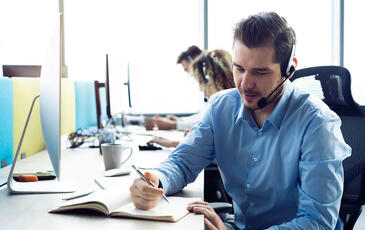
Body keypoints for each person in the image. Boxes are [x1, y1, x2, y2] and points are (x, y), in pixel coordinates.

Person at [130, 11, 351, 230]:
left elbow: (317, 221)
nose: (245, 84)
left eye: (260, 72)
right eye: (239, 68)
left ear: (289, 69)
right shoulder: (220, 108)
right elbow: (182, 162)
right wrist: (155, 180)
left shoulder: (318, 125)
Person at [149, 49, 235, 148]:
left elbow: (218, 150)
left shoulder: (228, 105)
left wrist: (173, 143)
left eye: (200, 82)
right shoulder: (225, 102)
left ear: (209, 79)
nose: (201, 89)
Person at [144, 45, 204, 131]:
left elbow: (206, 122)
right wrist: (181, 120)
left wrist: (173, 125)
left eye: (187, 69)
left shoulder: (213, 85)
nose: (190, 75)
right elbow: (203, 115)